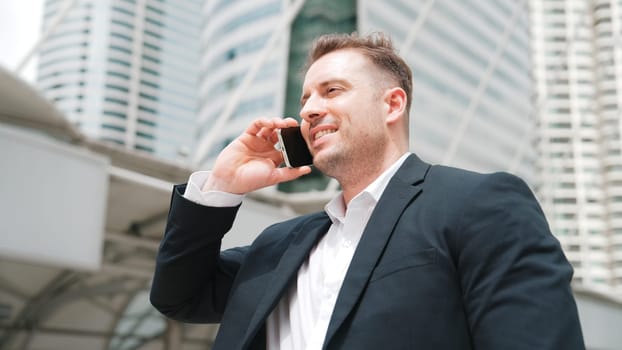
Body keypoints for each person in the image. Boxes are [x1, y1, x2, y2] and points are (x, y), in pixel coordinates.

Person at [150, 32, 585, 350]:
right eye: (304, 101)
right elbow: (177, 297)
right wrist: (222, 185)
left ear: (392, 104)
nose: (309, 110)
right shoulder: (279, 245)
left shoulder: (479, 204)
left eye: (332, 90)